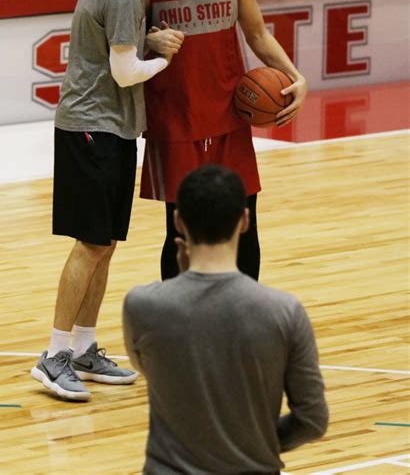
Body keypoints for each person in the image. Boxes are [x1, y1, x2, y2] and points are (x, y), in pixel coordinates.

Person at [31, 0, 184, 402]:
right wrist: (161, 58)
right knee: (91, 243)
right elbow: (123, 73)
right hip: (92, 128)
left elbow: (114, 46)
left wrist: (144, 37)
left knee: (105, 244)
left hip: (108, 127)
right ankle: (53, 356)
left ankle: (84, 347)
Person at [138, 0, 308, 281]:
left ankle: (242, 316)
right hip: (174, 120)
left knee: (244, 224)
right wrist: (149, 42)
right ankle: (178, 319)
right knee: (178, 231)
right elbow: (128, 44)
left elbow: (257, 34)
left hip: (230, 116)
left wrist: (296, 76)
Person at [123, 164, 328, 474]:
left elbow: (151, 367)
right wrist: (255, 443)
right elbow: (313, 420)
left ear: (178, 221)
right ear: (245, 220)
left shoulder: (142, 305)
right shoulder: (285, 310)